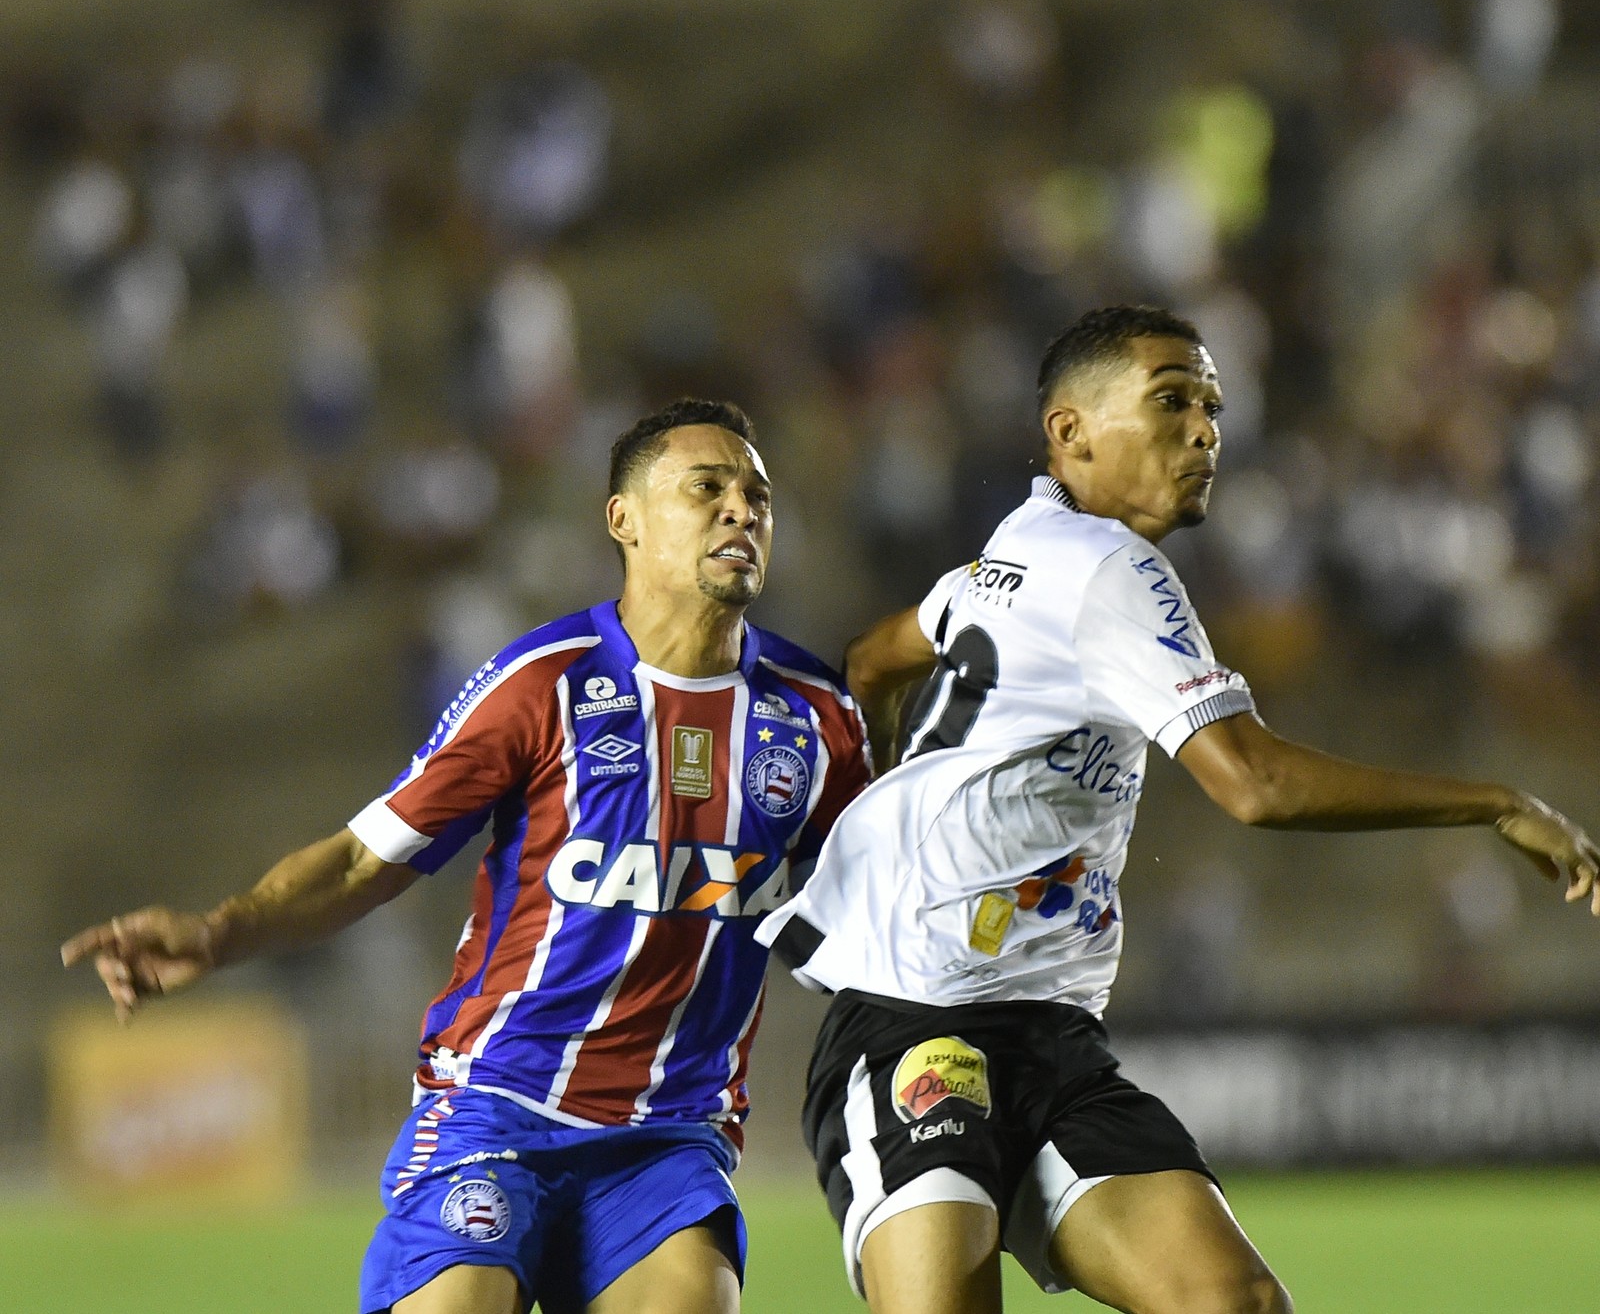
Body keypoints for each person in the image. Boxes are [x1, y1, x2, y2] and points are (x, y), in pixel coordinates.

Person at [757, 305, 1600, 1314]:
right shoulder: (1108, 569)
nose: (1204, 428)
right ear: (1070, 433)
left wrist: (887, 797)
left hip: (1048, 1033)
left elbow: (875, 655)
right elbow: (1255, 782)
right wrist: (1496, 803)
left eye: (1210, 404)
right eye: (1170, 400)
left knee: (1230, 1297)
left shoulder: (1016, 547)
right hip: (913, 1024)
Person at [63, 398, 872, 1314]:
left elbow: (877, 900)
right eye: (708, 488)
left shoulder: (816, 717)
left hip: (668, 1140)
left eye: (757, 495)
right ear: (626, 519)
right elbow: (367, 862)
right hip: (497, 1107)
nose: (742, 510)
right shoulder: (545, 681)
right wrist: (218, 932)